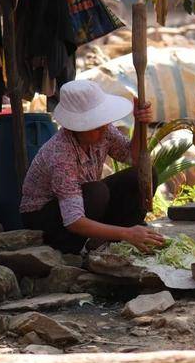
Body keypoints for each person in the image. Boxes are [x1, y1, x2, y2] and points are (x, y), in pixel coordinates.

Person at [20, 79, 165, 254]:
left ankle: (119, 237)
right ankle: (71, 248)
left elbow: (132, 157)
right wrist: (127, 233)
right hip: (44, 218)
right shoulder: (60, 154)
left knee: (144, 173)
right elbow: (73, 220)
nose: (103, 128)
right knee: (97, 192)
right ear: (77, 127)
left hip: (83, 204)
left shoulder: (104, 131)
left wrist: (140, 123)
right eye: (95, 125)